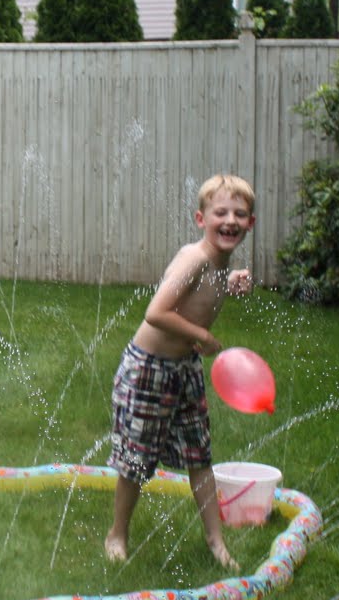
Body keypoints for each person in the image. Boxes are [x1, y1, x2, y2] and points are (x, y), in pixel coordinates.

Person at [105, 174, 255, 569]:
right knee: (136, 460)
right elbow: (155, 313)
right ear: (200, 218)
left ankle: (215, 540)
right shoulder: (196, 258)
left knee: (199, 455)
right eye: (220, 212)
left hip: (184, 370)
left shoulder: (220, 263)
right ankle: (117, 534)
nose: (230, 220)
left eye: (239, 214)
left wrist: (232, 280)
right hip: (148, 371)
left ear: (250, 223)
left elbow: (205, 292)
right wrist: (203, 336)